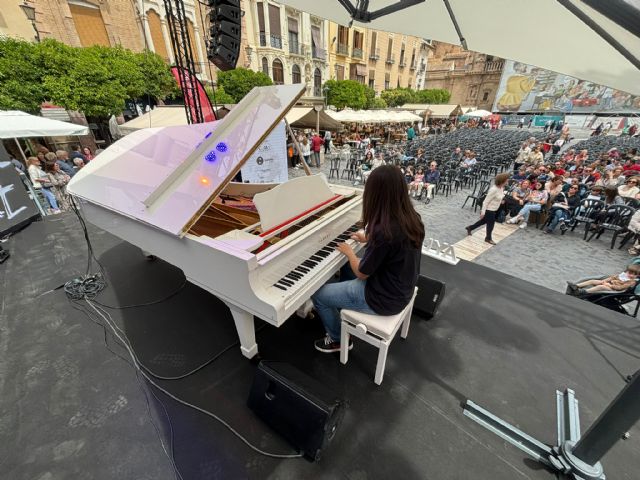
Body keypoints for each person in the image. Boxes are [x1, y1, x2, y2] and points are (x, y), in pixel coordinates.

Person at [311, 165, 425, 353]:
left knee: (318, 295)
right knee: (347, 266)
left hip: (382, 299)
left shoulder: (384, 231)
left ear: (376, 194)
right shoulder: (413, 218)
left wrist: (349, 252)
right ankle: (341, 304)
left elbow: (361, 273)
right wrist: (369, 239)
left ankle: (338, 340)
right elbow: (393, 246)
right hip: (401, 288)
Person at [465, 173, 510, 245]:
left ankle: (470, 228)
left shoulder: (501, 188)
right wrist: (483, 212)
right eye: (506, 180)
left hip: (495, 209)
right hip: (489, 209)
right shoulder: (493, 190)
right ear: (502, 181)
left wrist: (502, 200)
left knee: (483, 221)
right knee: (491, 224)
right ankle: (488, 238)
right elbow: (485, 202)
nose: (507, 182)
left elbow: (500, 196)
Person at [570, 264, 640, 295]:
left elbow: (620, 288)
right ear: (627, 271)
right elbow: (612, 277)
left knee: (601, 287)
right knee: (593, 281)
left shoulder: (631, 282)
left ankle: (584, 292)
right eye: (630, 273)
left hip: (614, 289)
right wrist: (604, 281)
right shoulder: (623, 275)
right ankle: (576, 285)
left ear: (637, 275)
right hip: (609, 284)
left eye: (634, 274)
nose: (631, 275)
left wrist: (609, 285)